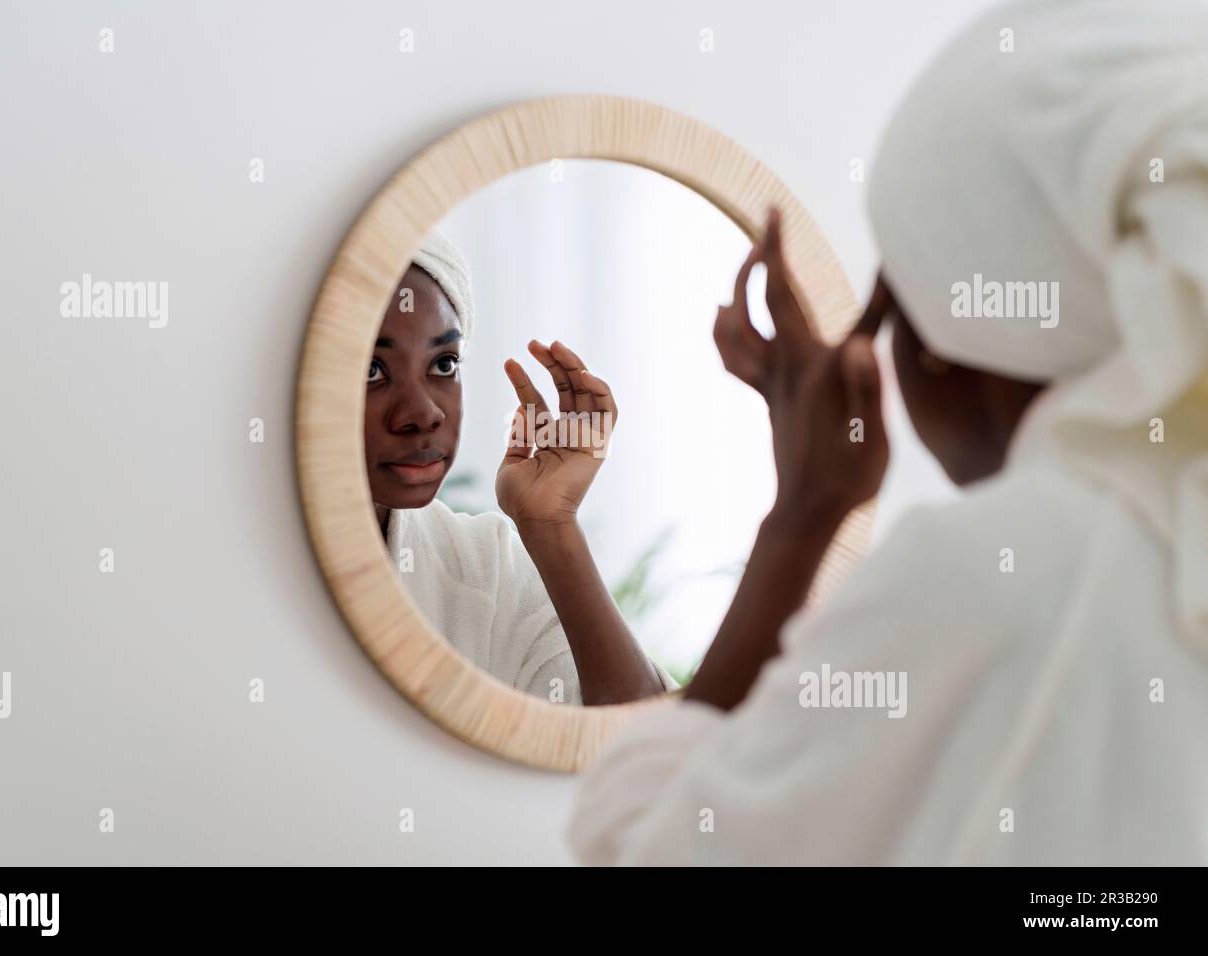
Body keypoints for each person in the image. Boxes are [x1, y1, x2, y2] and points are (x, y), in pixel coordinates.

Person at [569, 0, 1208, 864]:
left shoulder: (1005, 567)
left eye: (893, 301)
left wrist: (802, 514)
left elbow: (648, 849)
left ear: (957, 342)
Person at [366, 230, 670, 705]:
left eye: (444, 363)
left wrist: (551, 525)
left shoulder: (484, 566)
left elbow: (644, 744)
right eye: (372, 370)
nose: (425, 413)